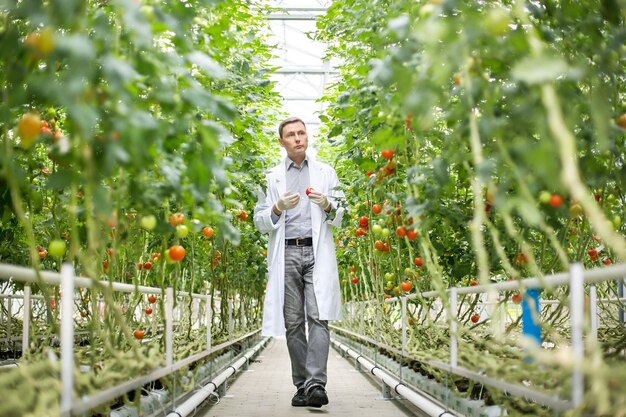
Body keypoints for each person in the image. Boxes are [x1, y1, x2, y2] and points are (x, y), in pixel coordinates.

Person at [253, 116, 345, 408]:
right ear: (281, 142)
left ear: (308, 137)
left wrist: (328, 205)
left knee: (319, 317)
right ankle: (302, 384)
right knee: (293, 322)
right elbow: (260, 221)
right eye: (290, 135)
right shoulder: (272, 178)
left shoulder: (325, 173)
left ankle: (317, 384)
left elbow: (342, 213)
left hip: (316, 253)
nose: (297, 138)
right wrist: (277, 208)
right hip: (287, 253)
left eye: (301, 133)